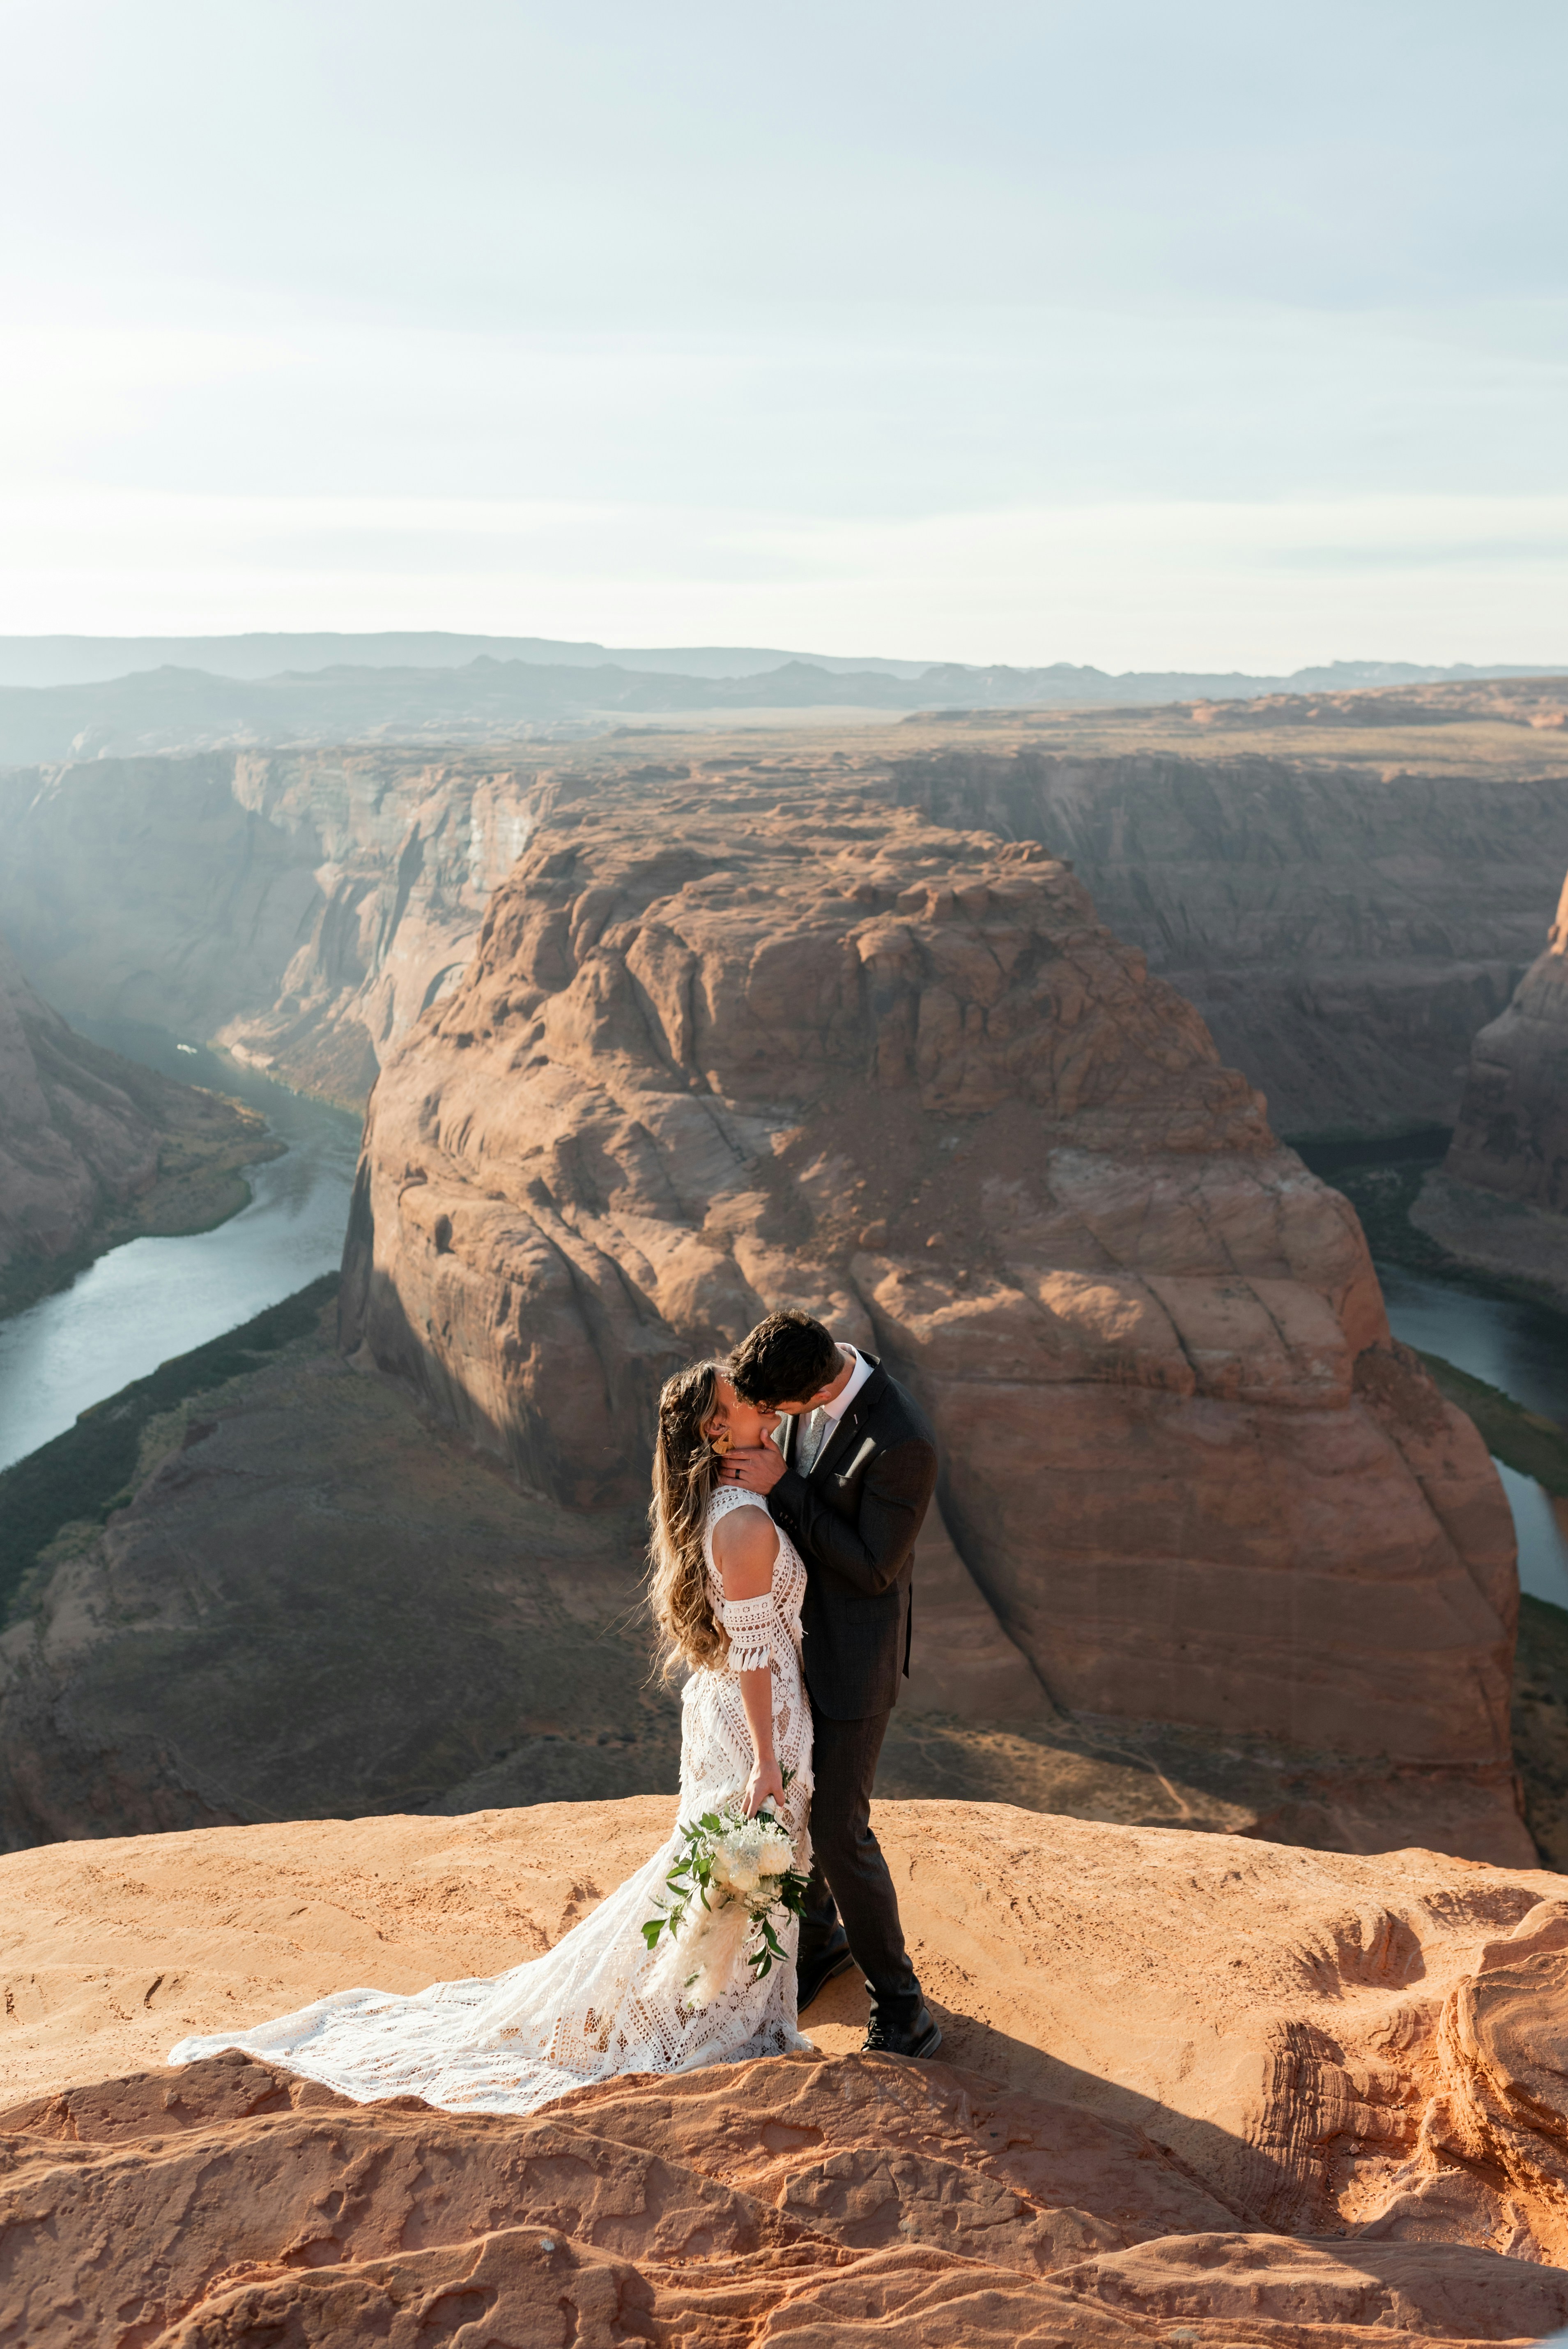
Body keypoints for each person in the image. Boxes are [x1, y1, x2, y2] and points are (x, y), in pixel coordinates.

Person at [167, 1360, 814, 2115]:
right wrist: (768, 1758)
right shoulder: (741, 1522)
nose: (767, 1409)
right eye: (749, 1403)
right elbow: (754, 1649)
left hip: (733, 1713)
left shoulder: (729, 1505)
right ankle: (703, 2022)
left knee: (730, 1867)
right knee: (741, 1865)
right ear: (714, 1428)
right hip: (754, 1725)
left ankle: (707, 2009)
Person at [722, 1308, 942, 2059]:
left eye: (775, 1413)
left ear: (812, 1396)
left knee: (839, 1832)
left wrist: (782, 1486)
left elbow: (875, 1566)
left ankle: (905, 2009)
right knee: (800, 1799)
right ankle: (818, 1947)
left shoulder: (903, 1439)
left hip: (852, 1655)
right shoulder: (802, 1369)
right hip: (789, 1644)